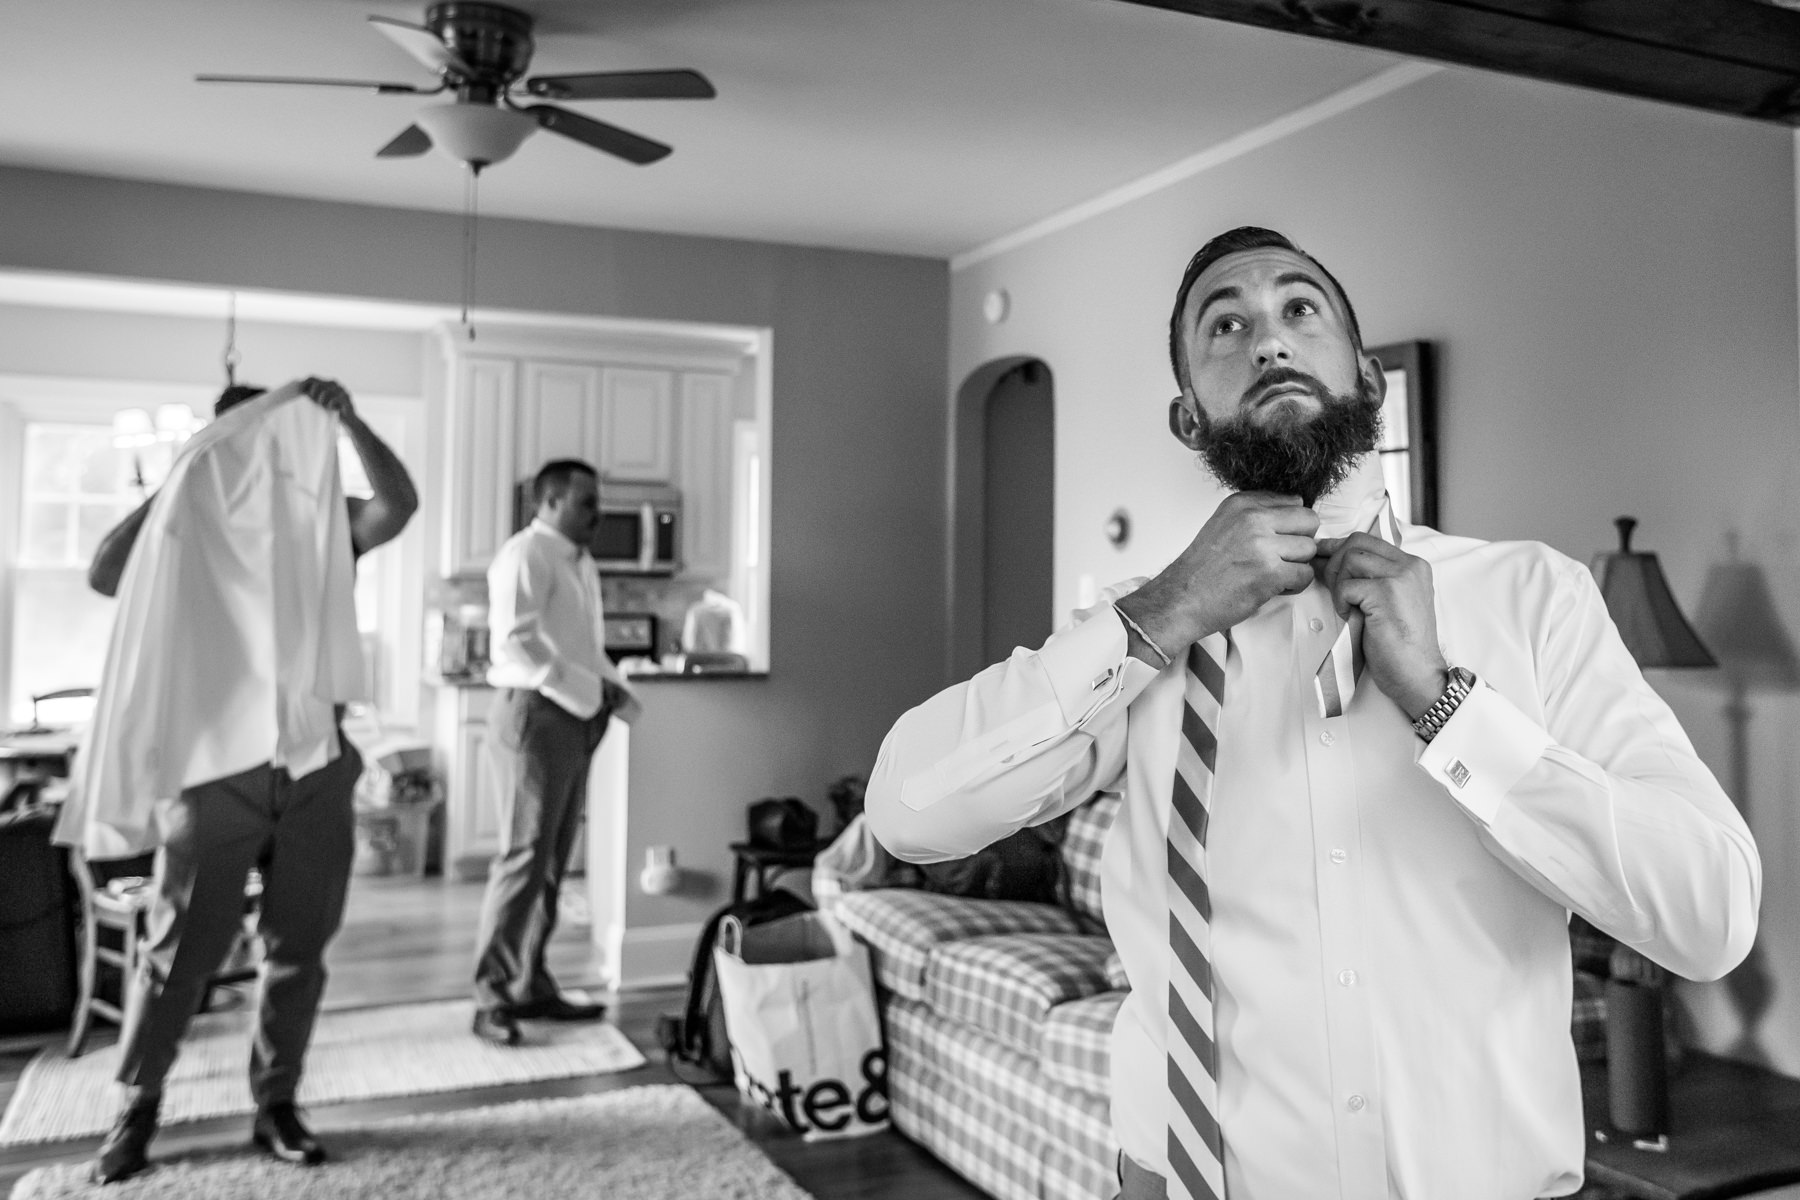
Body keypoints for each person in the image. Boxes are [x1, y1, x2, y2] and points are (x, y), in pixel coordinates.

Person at [864, 227, 1760, 1200]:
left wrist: (1452, 710)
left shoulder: (1532, 598)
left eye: (1301, 311)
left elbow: (1709, 917)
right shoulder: (1140, 631)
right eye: (1228, 325)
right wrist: (1162, 615)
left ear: (1368, 382)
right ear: (1188, 419)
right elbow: (910, 811)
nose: (1269, 341)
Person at [79, 377, 418, 1184]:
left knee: (300, 949)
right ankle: (139, 1105)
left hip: (317, 766)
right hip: (212, 776)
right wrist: (181, 477)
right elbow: (103, 573)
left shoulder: (324, 519)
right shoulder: (186, 516)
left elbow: (396, 507)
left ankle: (276, 1102)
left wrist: (352, 421)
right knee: (177, 954)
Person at [472, 458, 637, 1047]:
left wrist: (614, 692)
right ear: (549, 502)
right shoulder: (527, 555)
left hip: (572, 717)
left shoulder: (579, 562)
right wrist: (587, 692)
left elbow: (583, 649)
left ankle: (530, 983)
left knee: (552, 862)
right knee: (523, 859)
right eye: (586, 502)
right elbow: (515, 643)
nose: (598, 514)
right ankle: (490, 996)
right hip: (535, 715)